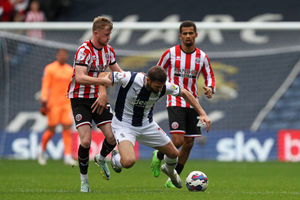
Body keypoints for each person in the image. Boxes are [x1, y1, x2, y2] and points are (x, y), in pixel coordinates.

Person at [97, 66, 211, 189]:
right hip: (124, 125)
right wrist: (103, 94)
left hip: (147, 125)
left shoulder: (164, 86)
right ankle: (116, 158)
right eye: (157, 86)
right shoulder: (131, 78)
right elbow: (103, 76)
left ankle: (171, 173)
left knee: (173, 154)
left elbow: (184, 93)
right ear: (147, 80)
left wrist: (202, 113)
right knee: (129, 162)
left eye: (161, 86)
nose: (160, 89)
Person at [151, 20, 216, 188]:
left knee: (189, 143)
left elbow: (210, 76)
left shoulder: (202, 57)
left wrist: (210, 88)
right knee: (178, 140)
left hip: (193, 103)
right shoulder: (170, 53)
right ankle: (158, 155)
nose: (188, 36)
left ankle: (173, 178)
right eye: (184, 33)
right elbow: (157, 72)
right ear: (180, 36)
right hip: (175, 100)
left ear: (196, 35)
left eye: (190, 33)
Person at [67, 16, 122, 192]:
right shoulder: (84, 50)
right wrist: (102, 82)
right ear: (96, 32)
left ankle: (101, 157)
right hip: (80, 99)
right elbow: (80, 77)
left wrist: (137, 78)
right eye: (106, 34)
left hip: (99, 97)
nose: (109, 37)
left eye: (110, 34)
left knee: (112, 138)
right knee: (85, 141)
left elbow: (118, 73)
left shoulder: (109, 51)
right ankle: (84, 180)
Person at [38, 48, 75, 166]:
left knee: (67, 127)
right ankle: (42, 151)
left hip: (66, 104)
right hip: (53, 104)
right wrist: (44, 99)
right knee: (51, 129)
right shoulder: (50, 69)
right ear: (57, 56)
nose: (63, 57)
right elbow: (45, 85)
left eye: (65, 55)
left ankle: (68, 156)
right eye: (61, 55)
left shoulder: (70, 70)